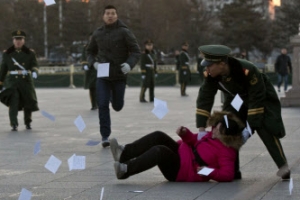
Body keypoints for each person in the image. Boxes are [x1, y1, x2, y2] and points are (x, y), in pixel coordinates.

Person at [196, 44, 290, 180]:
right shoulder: (211, 75)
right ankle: (234, 170)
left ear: (222, 64)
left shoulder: (247, 70)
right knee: (227, 125)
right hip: (236, 98)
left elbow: (257, 98)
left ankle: (283, 166)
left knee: (265, 128)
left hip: (260, 96)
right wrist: (201, 129)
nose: (207, 68)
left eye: (210, 65)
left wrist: (249, 127)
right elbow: (205, 98)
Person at [110, 111, 244, 182]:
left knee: (159, 151)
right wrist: (185, 133)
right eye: (215, 127)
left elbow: (227, 175)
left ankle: (125, 170)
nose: (213, 130)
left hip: (182, 171)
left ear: (226, 135)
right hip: (182, 154)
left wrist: (207, 171)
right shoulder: (211, 135)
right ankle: (123, 153)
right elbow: (193, 140)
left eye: (218, 130)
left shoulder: (227, 151)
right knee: (158, 136)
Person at [86, 5, 141, 147]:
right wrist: (94, 64)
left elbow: (136, 51)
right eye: (107, 13)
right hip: (103, 75)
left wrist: (129, 64)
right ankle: (105, 136)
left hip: (119, 75)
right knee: (102, 104)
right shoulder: (97, 33)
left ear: (116, 16)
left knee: (117, 106)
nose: (110, 16)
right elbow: (90, 52)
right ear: (103, 16)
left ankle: (112, 97)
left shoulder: (124, 32)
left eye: (112, 13)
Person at [0, 30, 39, 131]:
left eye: (20, 39)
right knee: (13, 102)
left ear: (24, 40)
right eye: (16, 39)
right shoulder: (7, 53)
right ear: (13, 40)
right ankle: (14, 123)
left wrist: (34, 71)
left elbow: (34, 64)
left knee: (28, 101)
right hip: (13, 81)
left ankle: (28, 122)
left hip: (26, 80)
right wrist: (0, 83)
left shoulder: (30, 53)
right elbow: (3, 69)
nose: (18, 41)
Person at [81, 33, 97, 110]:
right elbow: (83, 56)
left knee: (100, 87)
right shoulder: (86, 47)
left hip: (97, 69)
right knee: (92, 88)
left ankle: (99, 103)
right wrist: (84, 64)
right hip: (90, 70)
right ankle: (93, 104)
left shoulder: (100, 46)